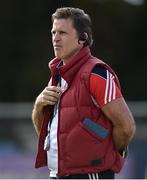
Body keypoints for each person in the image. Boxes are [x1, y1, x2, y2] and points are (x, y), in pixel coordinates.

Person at [32, 7, 136, 179]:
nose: (55, 38)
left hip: (90, 174)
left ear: (83, 38)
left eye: (63, 33)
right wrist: (38, 106)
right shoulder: (56, 77)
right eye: (53, 32)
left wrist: (103, 153)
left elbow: (126, 128)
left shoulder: (97, 73)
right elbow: (46, 134)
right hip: (57, 174)